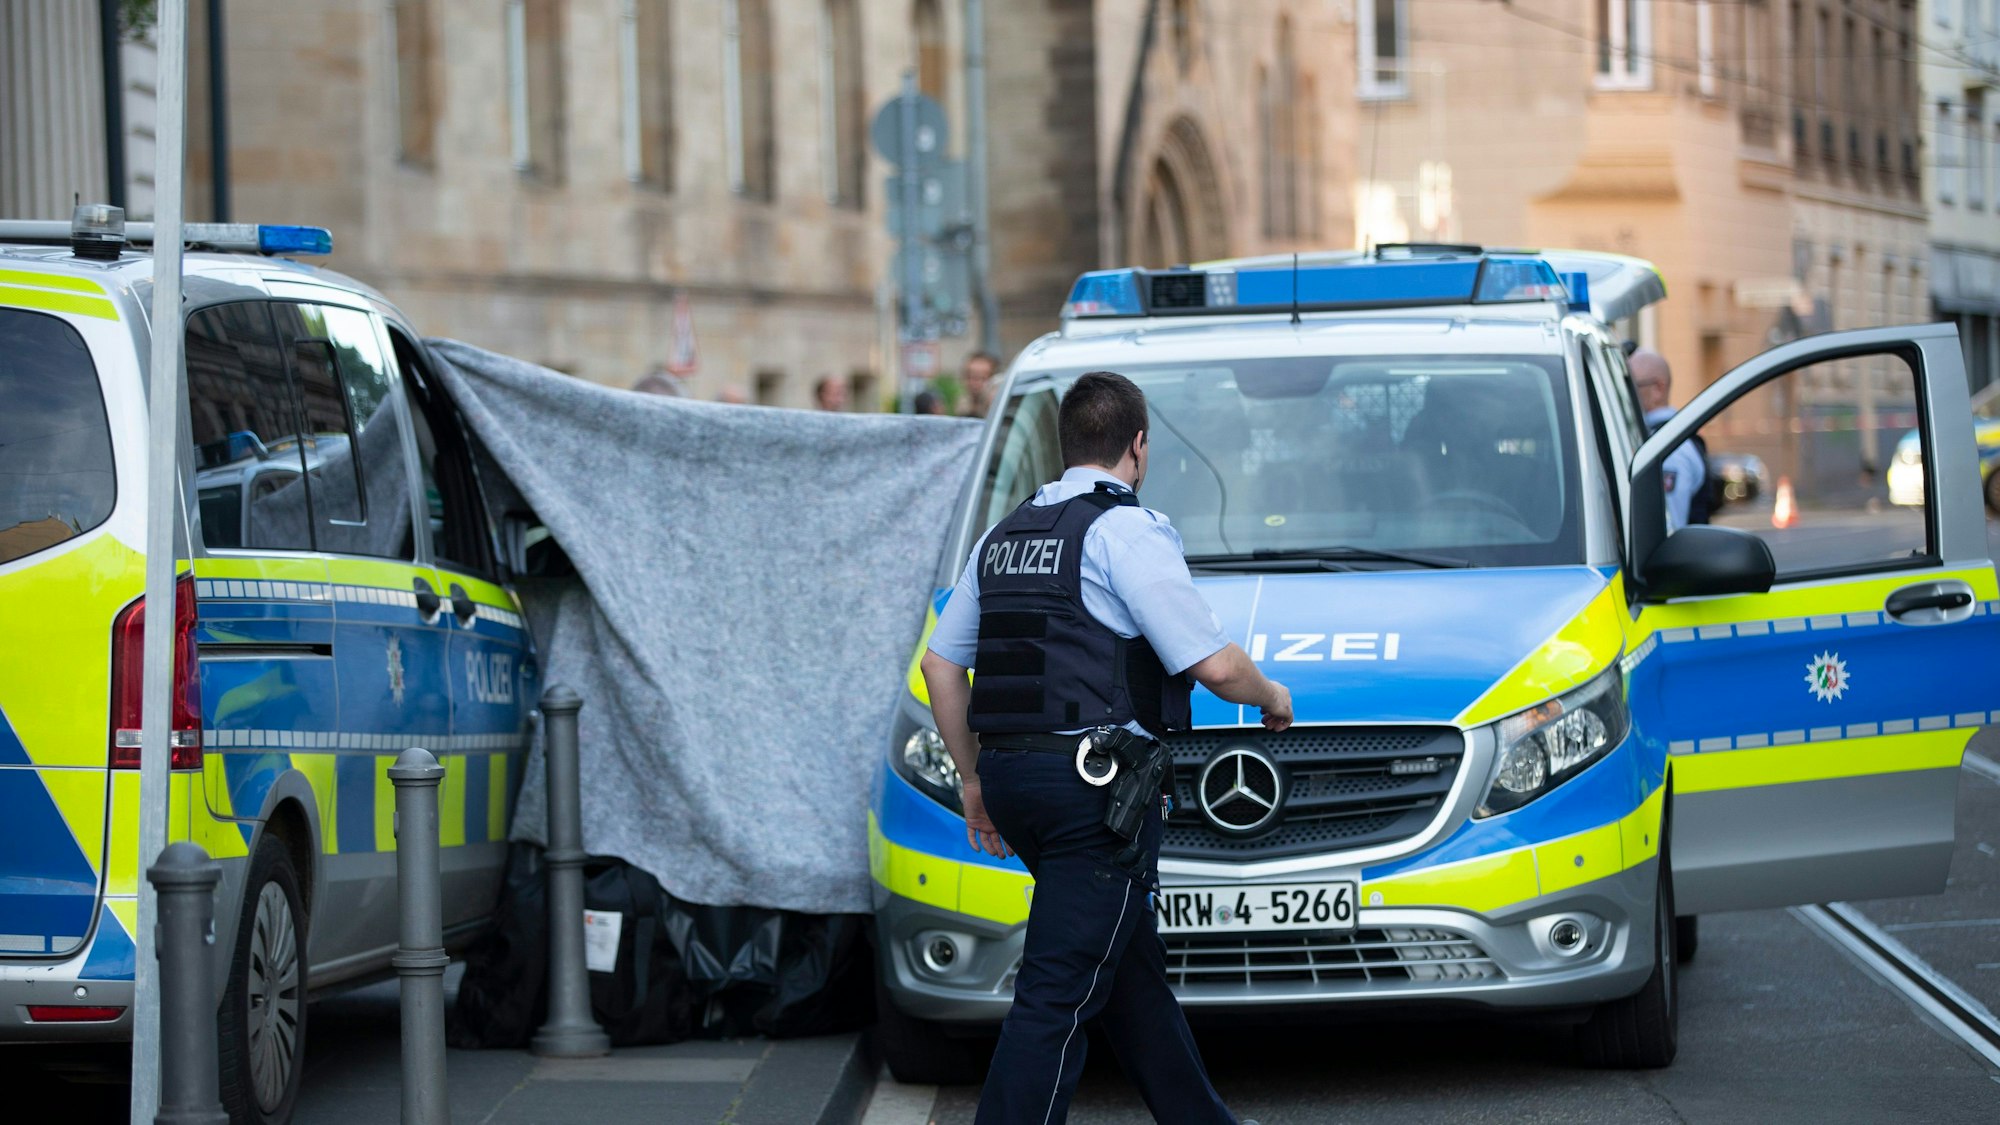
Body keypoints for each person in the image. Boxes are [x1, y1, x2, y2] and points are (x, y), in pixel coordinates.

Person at [920, 371, 1288, 1125]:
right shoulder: (1126, 530)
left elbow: (940, 664)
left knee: (1125, 968)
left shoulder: (1008, 533)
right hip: (1097, 796)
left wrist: (972, 778)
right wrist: (1272, 697)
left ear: (1066, 447)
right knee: (1058, 992)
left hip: (1018, 782)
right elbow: (1213, 666)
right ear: (1138, 447)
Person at [1630, 348, 1708, 530]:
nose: (1628, 395)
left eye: (1634, 386)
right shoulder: (1667, 436)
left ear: (1658, 388)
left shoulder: (1670, 449)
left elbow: (1670, 527)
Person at [959, 351, 999, 418]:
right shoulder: (963, 406)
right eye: (969, 377)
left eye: (981, 378)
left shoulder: (997, 407)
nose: (974, 383)